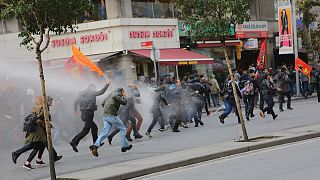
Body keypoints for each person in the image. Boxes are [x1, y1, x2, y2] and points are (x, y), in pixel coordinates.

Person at [12, 96, 62, 169]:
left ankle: (36, 160)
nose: (52, 102)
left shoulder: (40, 107)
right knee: (35, 145)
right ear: (46, 101)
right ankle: (19, 155)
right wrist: (45, 122)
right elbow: (39, 117)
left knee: (41, 145)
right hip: (38, 130)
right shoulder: (44, 107)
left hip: (40, 129)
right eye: (50, 101)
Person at [90, 88, 132, 157]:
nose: (124, 93)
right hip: (112, 115)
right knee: (123, 129)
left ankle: (95, 145)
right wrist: (124, 96)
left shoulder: (109, 95)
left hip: (105, 116)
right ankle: (124, 146)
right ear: (121, 91)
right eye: (123, 92)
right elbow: (124, 102)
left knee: (105, 132)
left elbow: (103, 104)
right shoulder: (117, 94)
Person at [70, 82, 110, 152]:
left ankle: (96, 143)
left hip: (83, 114)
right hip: (89, 114)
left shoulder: (81, 94)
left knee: (94, 128)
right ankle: (73, 141)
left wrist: (75, 111)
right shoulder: (92, 92)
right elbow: (101, 92)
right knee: (86, 130)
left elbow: (75, 102)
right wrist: (107, 85)